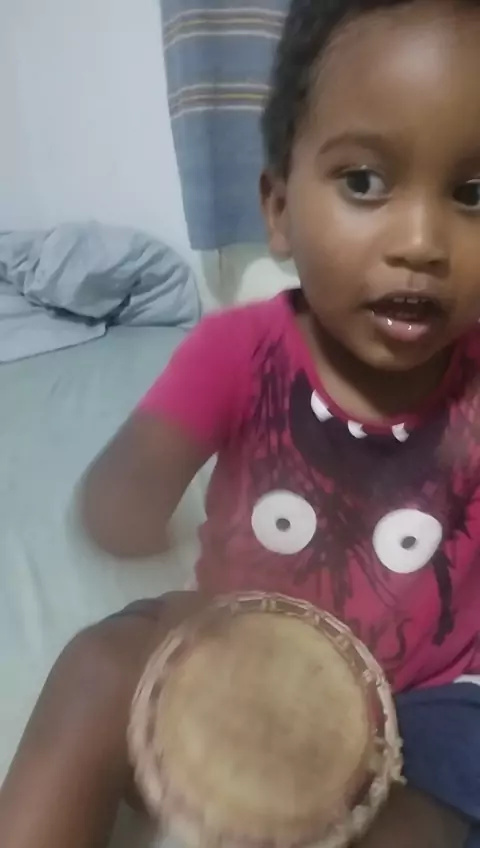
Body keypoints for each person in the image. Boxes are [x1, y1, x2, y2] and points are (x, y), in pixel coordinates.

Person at [1, 0, 480, 845]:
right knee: (99, 668)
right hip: (241, 652)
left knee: (415, 824)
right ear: (280, 208)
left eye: (473, 194)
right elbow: (121, 499)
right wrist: (128, 492)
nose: (420, 241)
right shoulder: (236, 352)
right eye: (364, 182)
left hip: (435, 695)